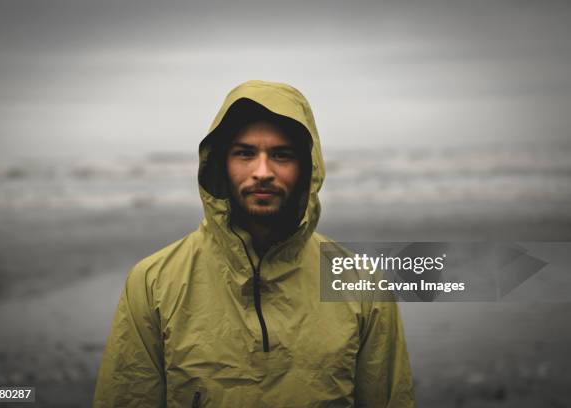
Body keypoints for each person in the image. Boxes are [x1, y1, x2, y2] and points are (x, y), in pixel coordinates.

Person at [93, 80, 416, 407]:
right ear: (221, 164)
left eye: (281, 154)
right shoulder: (153, 282)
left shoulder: (362, 284)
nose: (263, 172)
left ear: (307, 168)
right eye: (245, 153)